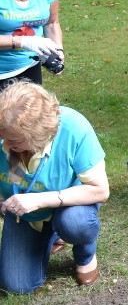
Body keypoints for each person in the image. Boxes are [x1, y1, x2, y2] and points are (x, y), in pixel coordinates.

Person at [0, 81, 109, 293]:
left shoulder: (74, 128)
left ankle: (85, 253)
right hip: (24, 215)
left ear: (37, 137)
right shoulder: (4, 132)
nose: (4, 146)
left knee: (74, 223)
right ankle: (51, 235)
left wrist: (39, 199)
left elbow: (100, 190)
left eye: (12, 141)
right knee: (18, 285)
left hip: (70, 207)